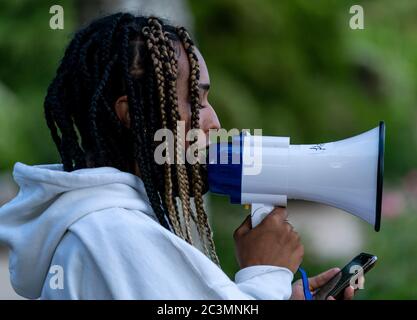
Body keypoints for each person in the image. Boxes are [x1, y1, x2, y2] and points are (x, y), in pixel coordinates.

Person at [0, 13, 356, 300]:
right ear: (131, 114)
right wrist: (265, 273)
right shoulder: (112, 235)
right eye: (194, 101)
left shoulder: (108, 227)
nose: (214, 121)